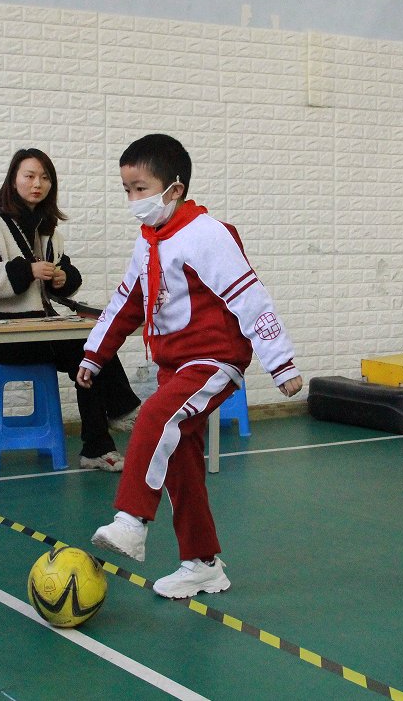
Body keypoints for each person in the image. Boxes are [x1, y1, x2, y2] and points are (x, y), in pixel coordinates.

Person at [77, 133, 302, 599]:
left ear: (173, 189)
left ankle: (132, 521)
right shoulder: (148, 242)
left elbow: (249, 296)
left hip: (213, 359)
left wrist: (280, 363)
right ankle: (201, 563)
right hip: (174, 366)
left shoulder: (207, 235)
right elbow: (127, 303)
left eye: (141, 188)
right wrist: (94, 355)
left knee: (154, 418)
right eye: (127, 190)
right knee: (180, 459)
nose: (133, 200)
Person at [0, 148, 140, 471]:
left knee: (91, 353)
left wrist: (61, 278)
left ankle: (98, 448)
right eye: (29, 176)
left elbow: (69, 276)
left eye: (45, 178)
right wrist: (26, 271)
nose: (37, 184)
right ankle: (120, 411)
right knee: (87, 347)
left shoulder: (48, 230)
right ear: (13, 180)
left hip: (39, 330)